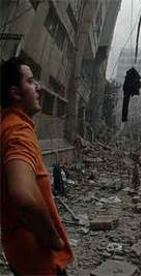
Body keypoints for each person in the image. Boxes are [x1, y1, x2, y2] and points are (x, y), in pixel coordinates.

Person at [0, 57, 73, 275]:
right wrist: (53, 237)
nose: (38, 87)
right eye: (31, 82)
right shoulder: (18, 133)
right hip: (38, 257)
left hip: (18, 250)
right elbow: (23, 197)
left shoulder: (5, 125)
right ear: (15, 93)